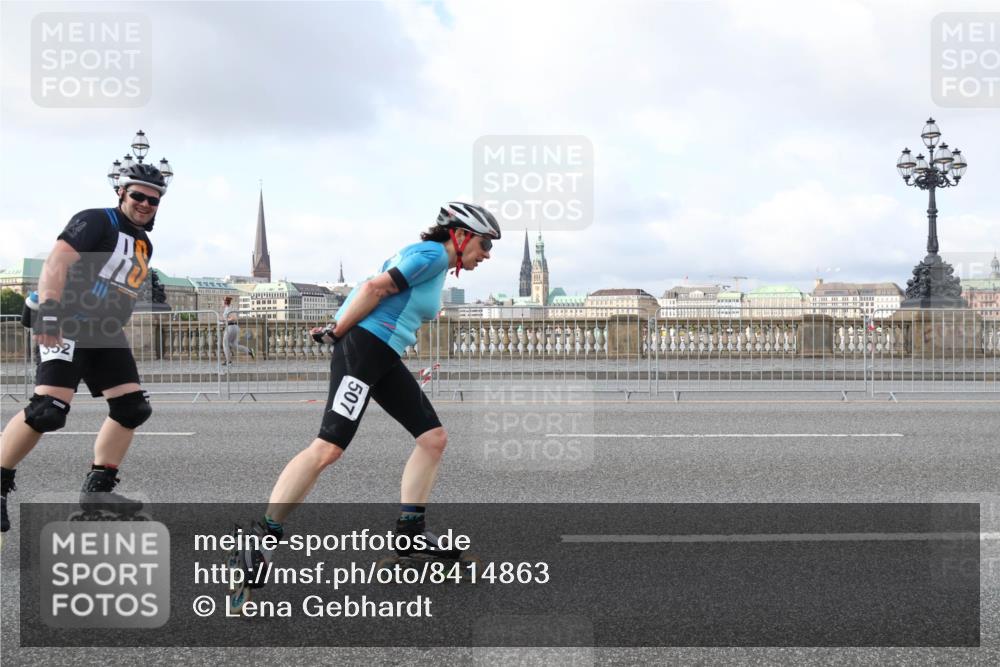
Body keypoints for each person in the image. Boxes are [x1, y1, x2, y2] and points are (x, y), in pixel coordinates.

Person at [236, 202, 500, 578]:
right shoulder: (433, 256)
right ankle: (262, 538)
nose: (487, 255)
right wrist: (338, 329)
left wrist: (337, 324)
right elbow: (376, 287)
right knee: (327, 448)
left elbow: (376, 288)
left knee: (433, 439)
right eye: (485, 245)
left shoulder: (431, 259)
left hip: (383, 355)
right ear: (460, 235)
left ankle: (411, 534)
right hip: (366, 350)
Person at [0, 163, 168, 532]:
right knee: (48, 410)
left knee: (132, 408)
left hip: (105, 332)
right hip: (69, 322)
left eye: (153, 200)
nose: (144, 203)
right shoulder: (96, 220)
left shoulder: (145, 243)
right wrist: (47, 312)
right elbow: (57, 261)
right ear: (121, 192)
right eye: (137, 195)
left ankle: (98, 491)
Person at [222, 296, 254, 364]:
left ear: (224, 302)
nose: (221, 303)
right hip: (235, 327)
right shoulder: (228, 308)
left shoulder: (228, 309)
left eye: (222, 301)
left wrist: (225, 320)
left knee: (225, 343)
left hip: (230, 328)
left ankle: (228, 361)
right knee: (234, 345)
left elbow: (234, 318)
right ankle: (249, 351)